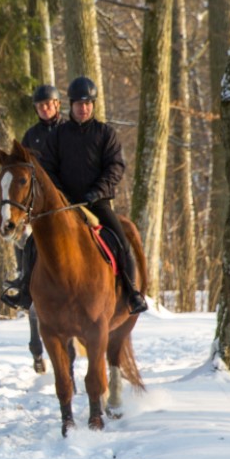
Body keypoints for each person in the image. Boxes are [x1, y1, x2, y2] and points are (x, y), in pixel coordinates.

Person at [42, 77, 149, 314]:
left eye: (88, 103)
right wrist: (62, 196)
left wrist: (97, 192)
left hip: (97, 204)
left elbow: (115, 167)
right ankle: (24, 288)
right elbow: (47, 168)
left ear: (93, 105)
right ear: (71, 105)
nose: (84, 108)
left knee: (121, 243)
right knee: (34, 243)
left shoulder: (105, 134)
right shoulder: (57, 136)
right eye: (79, 103)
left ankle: (132, 293)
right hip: (65, 206)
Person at [1, 84, 65, 310]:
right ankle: (24, 285)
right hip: (39, 203)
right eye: (40, 106)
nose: (45, 108)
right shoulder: (31, 136)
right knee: (25, 238)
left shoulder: (68, 130)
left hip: (69, 196)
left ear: (57, 104)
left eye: (48, 104)